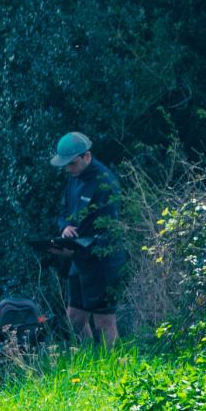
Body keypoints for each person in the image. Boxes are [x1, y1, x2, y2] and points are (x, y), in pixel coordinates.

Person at [49, 132, 126, 346]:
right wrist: (65, 229)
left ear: (87, 156)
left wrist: (76, 250)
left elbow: (109, 232)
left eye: (71, 164)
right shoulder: (74, 178)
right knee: (74, 317)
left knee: (103, 319)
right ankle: (88, 358)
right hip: (79, 258)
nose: (67, 169)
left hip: (104, 261)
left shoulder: (106, 184)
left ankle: (114, 366)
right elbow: (64, 210)